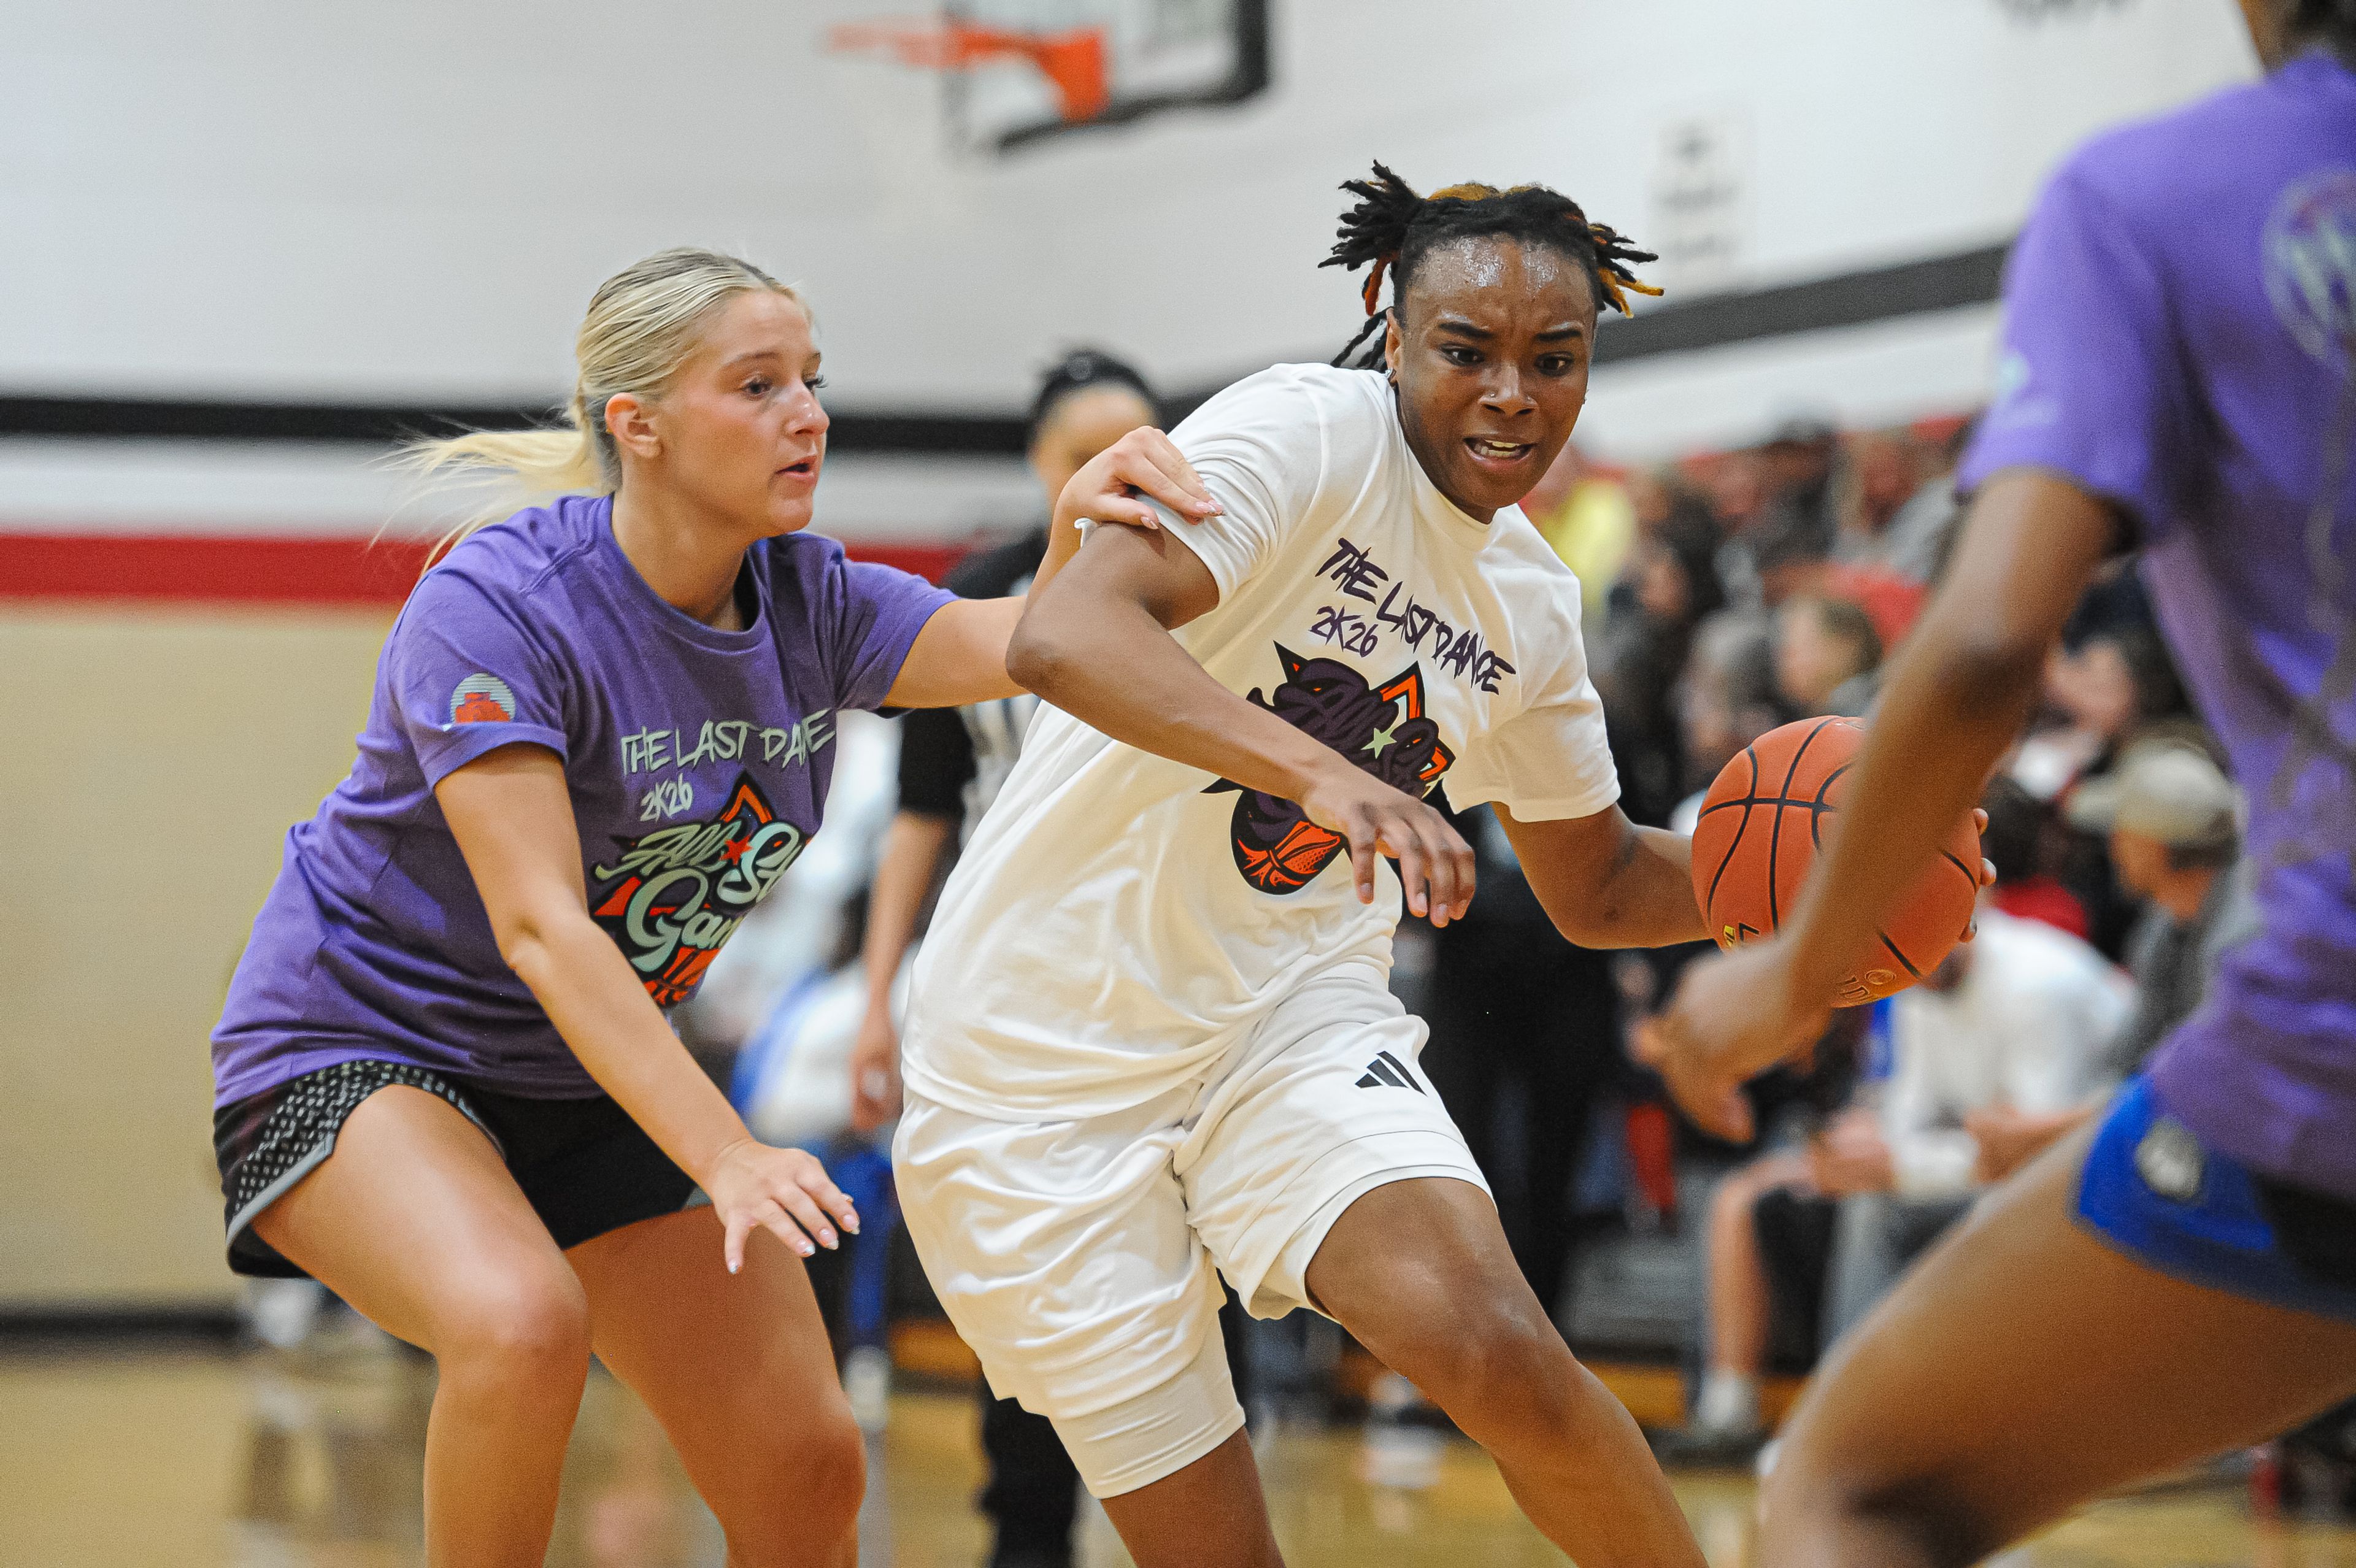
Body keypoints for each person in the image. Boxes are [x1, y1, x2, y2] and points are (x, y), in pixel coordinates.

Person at [206, 247, 1216, 1567]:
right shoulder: (499, 605)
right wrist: (725, 1150)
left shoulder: (816, 601)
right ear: (641, 427)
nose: (810, 414)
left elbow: (1045, 644)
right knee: (520, 1325)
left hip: (577, 1082)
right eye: (759, 385)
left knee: (802, 1459)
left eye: (814, 381)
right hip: (362, 1048)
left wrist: (1090, 527)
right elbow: (542, 931)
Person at [893, 164, 1712, 1568]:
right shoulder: (1305, 433)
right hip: (1035, 1065)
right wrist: (1326, 771)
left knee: (1503, 1353)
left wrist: (1832, 874)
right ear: (1391, 333)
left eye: (1553, 361)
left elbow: (1606, 888)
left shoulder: (1529, 604)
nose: (1513, 394)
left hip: (1284, 1022)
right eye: (1468, 351)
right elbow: (1067, 636)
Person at [1654, 6, 2356, 1561]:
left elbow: (1981, 646)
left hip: (2337, 1061)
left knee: (1856, 1489)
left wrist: (1799, 969)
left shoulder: (2154, 199)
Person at [847, 347, 1178, 1568]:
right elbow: (921, 821)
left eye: (1141, 434)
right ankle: (1023, 1542)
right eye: (1087, 446)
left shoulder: (1210, 587)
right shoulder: (977, 604)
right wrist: (879, 1003)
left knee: (1198, 1273)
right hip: (1017, 996)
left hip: (1169, 984)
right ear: (1044, 470)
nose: (1121, 462)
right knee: (1028, 1283)